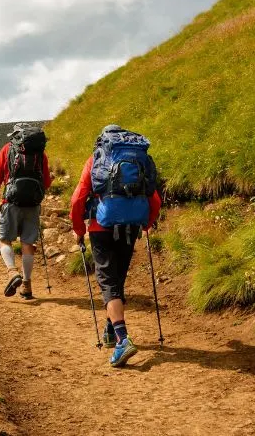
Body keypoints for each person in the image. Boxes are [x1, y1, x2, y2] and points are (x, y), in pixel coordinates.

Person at [70, 124, 162, 367]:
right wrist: (145, 224)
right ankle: (111, 331)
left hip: (101, 228)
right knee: (118, 280)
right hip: (131, 227)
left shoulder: (96, 160)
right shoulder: (139, 160)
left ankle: (122, 339)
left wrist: (79, 229)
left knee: (109, 283)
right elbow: (154, 198)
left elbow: (78, 197)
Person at [0, 123, 53, 299]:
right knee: (28, 244)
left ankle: (12, 272)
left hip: (11, 201)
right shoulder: (40, 153)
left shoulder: (8, 149)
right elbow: (46, 181)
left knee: (4, 240)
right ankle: (27, 284)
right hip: (32, 203)